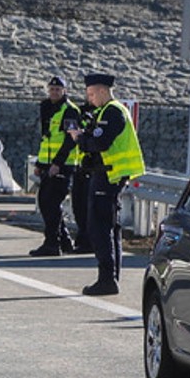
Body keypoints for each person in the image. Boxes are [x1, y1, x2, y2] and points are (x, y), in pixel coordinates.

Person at [62, 71, 145, 296]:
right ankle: (110, 278)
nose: (89, 99)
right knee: (109, 227)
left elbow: (101, 143)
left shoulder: (113, 112)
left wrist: (79, 138)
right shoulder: (105, 111)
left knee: (99, 228)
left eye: (91, 94)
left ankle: (106, 279)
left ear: (101, 90)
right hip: (107, 176)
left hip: (108, 176)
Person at [29, 75, 78, 256]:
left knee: (51, 202)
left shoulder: (70, 110)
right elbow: (46, 138)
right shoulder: (46, 107)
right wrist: (40, 164)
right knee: (46, 202)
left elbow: (70, 140)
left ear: (64, 91)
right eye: (52, 89)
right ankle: (64, 241)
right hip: (48, 164)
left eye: (58, 89)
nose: (54, 92)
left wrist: (57, 163)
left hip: (62, 164)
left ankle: (52, 244)